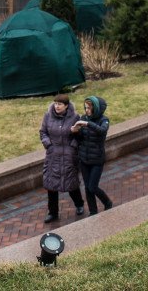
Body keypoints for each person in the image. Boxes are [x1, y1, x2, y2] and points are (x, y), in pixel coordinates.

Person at [40, 93, 84, 222]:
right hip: (53, 156)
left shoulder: (75, 117)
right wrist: (48, 145)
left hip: (69, 156)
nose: (57, 106)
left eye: (59, 104)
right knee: (51, 185)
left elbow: (80, 136)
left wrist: (73, 147)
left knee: (71, 182)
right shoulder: (48, 116)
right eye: (55, 103)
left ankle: (79, 204)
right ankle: (53, 213)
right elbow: (43, 132)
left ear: (66, 106)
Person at [73, 95, 113, 215]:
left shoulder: (104, 120)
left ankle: (107, 202)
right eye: (85, 108)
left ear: (96, 108)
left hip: (97, 160)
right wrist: (75, 132)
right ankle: (93, 211)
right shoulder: (84, 118)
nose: (87, 111)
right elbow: (80, 138)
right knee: (87, 187)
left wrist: (87, 124)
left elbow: (102, 131)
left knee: (92, 187)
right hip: (84, 159)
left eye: (89, 108)